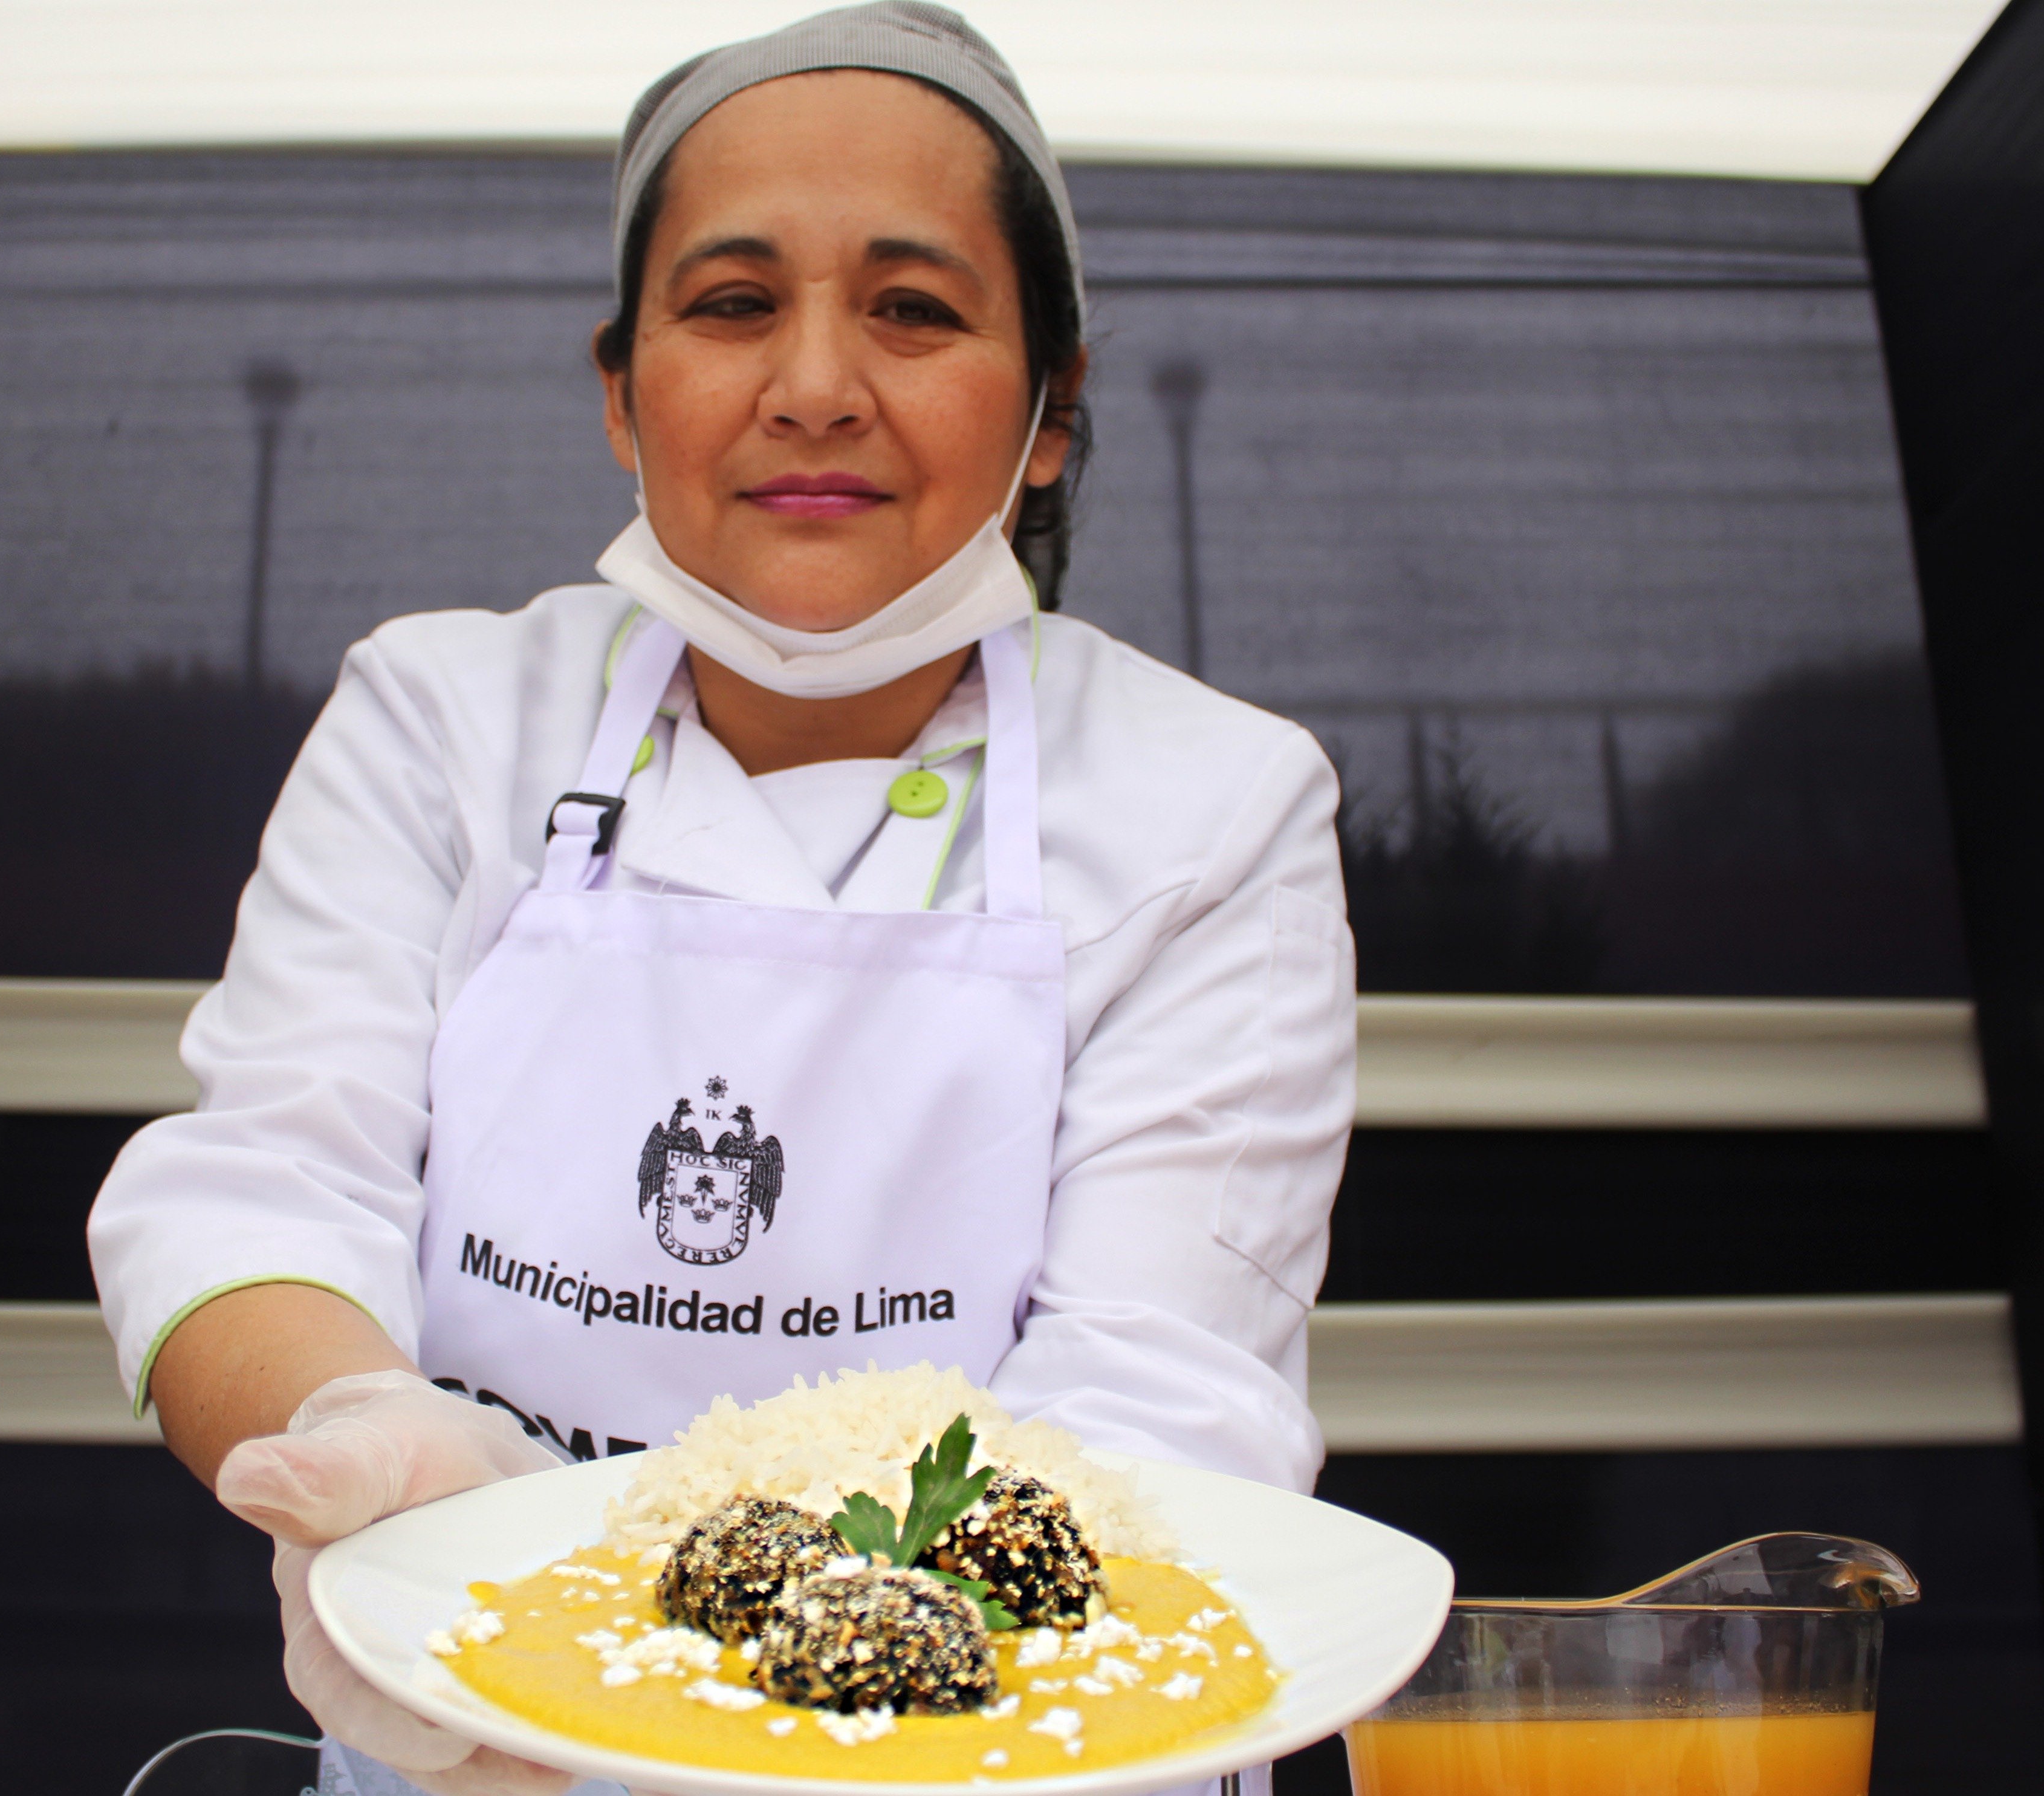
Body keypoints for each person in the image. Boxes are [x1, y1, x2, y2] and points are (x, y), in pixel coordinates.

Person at [87, 7, 1355, 1794]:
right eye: (735, 301)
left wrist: (736, 1684)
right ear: (622, 386)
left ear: (1054, 408)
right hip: (485, 1733)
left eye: (914, 307)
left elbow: (1153, 1407)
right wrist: (361, 1434)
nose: (817, 383)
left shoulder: (1211, 805)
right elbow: (265, 1184)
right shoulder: (445, 714)